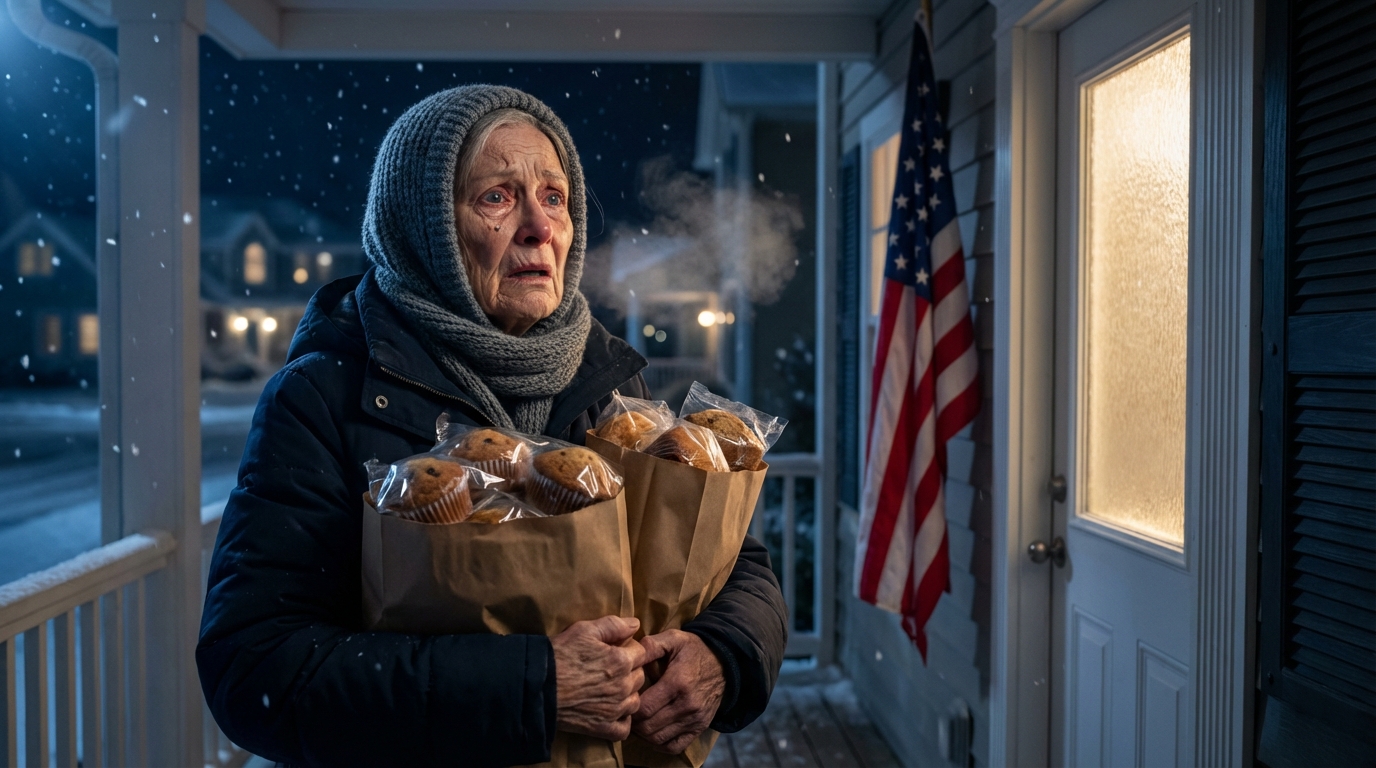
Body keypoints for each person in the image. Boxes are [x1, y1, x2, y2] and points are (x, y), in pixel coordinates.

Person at [197, 85, 788, 767]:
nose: (540, 227)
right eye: (498, 197)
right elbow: (254, 670)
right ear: (423, 228)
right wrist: (533, 688)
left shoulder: (608, 379)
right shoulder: (324, 397)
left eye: (556, 197)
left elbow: (733, 559)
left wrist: (726, 654)